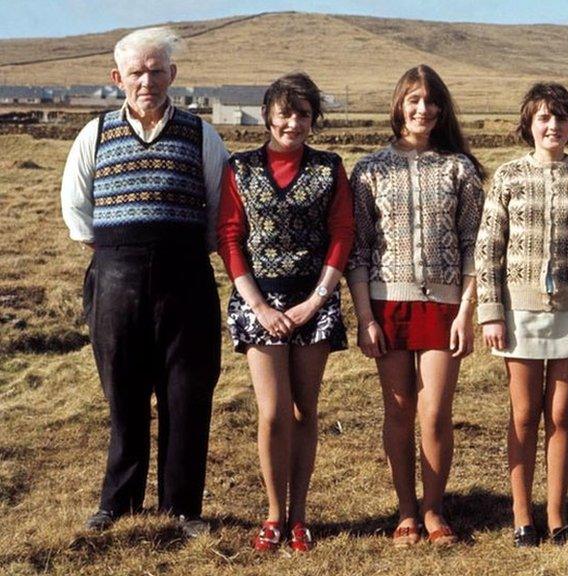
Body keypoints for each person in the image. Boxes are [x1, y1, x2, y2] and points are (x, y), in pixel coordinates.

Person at [60, 27, 228, 537]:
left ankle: (183, 508)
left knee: (187, 394)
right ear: (118, 78)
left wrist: (174, 250)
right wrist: (122, 252)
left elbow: (219, 210)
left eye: (156, 70)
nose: (147, 80)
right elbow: (77, 210)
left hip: (187, 282)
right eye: (136, 72)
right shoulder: (94, 134)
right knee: (124, 395)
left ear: (172, 75)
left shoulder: (202, 135)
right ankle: (118, 502)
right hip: (115, 282)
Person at [476, 83, 568, 547]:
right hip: (519, 312)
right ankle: (522, 514)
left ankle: (557, 515)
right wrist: (490, 311)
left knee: (560, 413)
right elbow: (488, 248)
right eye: (542, 118)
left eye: (560, 118)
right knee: (523, 414)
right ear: (529, 126)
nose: (552, 126)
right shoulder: (507, 177)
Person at [345, 64, 484, 547]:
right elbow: (357, 251)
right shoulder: (368, 169)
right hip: (386, 305)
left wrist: (467, 310)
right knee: (399, 410)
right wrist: (365, 318)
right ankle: (405, 509)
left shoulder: (458, 168)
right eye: (413, 100)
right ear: (399, 106)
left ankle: (434, 508)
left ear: (440, 109)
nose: (422, 109)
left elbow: (475, 245)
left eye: (430, 101)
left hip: (445, 307)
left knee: (436, 411)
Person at [217, 73, 354, 552]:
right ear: (266, 116)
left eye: (302, 113)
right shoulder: (241, 169)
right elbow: (229, 236)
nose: (292, 122)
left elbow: (342, 233)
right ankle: (274, 513)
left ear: (313, 119)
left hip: (314, 302)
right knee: (273, 411)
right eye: (284, 112)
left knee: (304, 410)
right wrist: (257, 304)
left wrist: (316, 300)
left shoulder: (329, 168)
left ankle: (300, 516)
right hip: (260, 302)